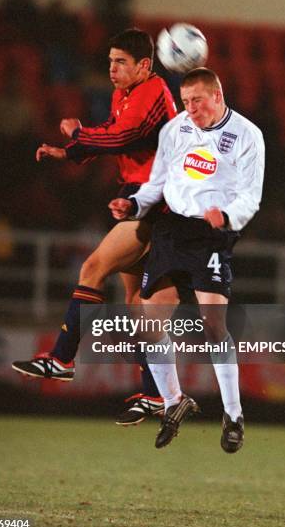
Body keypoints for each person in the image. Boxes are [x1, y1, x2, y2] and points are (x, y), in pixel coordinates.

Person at [12, 28, 183, 421]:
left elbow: (123, 135)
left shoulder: (154, 92)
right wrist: (71, 151)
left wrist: (77, 134)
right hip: (137, 193)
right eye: (109, 62)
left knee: (93, 267)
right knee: (139, 306)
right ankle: (156, 394)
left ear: (144, 65)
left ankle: (62, 358)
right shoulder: (124, 92)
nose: (112, 69)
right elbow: (112, 134)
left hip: (154, 199)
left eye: (120, 62)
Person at [109, 67, 265, 451]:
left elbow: (251, 195)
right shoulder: (175, 130)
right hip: (171, 230)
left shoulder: (247, 135)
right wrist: (133, 203)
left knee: (213, 325)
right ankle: (175, 403)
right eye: (185, 102)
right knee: (148, 321)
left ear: (217, 95)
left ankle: (233, 415)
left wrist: (227, 217)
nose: (190, 109)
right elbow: (157, 184)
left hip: (211, 234)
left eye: (197, 101)